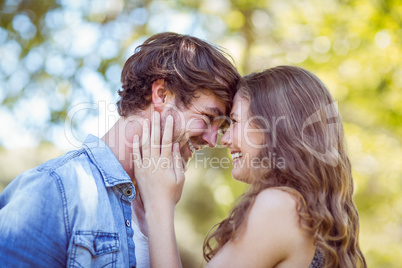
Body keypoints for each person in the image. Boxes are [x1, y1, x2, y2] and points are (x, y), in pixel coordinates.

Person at [0, 32, 240, 267]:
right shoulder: (53, 188)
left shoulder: (157, 200)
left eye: (220, 128)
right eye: (209, 118)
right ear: (161, 94)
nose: (212, 140)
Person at [133, 65, 367, 267]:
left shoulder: (281, 206)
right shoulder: (312, 213)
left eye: (234, 122)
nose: (224, 140)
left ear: (276, 129)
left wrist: (159, 204)